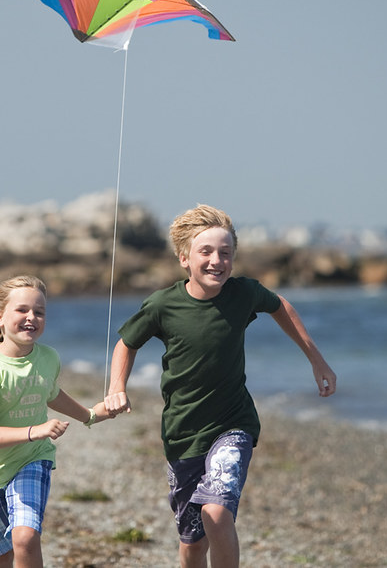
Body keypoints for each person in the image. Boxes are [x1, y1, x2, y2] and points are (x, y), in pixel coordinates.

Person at [104, 205, 336, 568]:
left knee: (216, 511)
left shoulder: (243, 293)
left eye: (225, 253)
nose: (217, 261)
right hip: (182, 434)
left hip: (233, 425)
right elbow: (126, 344)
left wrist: (316, 360)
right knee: (193, 544)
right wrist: (117, 386)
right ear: (184, 259)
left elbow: (281, 307)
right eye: (206, 252)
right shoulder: (163, 305)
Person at [0, 274, 111, 568]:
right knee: (1, 553)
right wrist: (36, 430)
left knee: (25, 538)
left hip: (32, 459)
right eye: (22, 310)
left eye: (39, 312)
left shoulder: (48, 357)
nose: (32, 317)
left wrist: (90, 415)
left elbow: (50, 393)